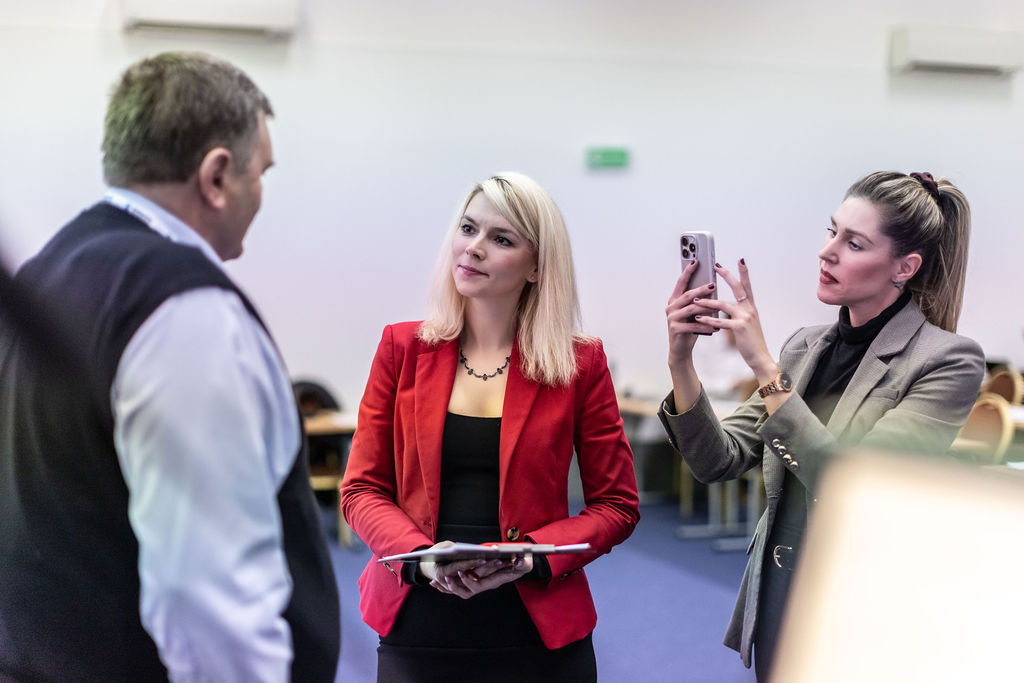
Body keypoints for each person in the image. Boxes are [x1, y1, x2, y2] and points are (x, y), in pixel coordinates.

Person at [0, 52, 340, 681]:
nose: (261, 195)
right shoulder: (182, 308)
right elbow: (207, 602)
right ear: (217, 176)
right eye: (261, 173)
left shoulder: (45, 274)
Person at [658, 171, 985, 680]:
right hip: (780, 594)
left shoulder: (948, 361)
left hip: (859, 605)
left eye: (853, 243)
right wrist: (681, 360)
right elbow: (716, 460)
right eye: (831, 231)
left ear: (905, 267)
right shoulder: (805, 347)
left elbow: (853, 484)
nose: (826, 252)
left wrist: (764, 368)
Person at [340, 172, 640, 682]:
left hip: (537, 630)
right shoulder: (401, 348)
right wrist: (419, 558)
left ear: (537, 267)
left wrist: (532, 556)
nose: (474, 247)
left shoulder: (580, 363)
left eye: (501, 239)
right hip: (419, 618)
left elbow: (617, 505)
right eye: (468, 228)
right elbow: (361, 490)